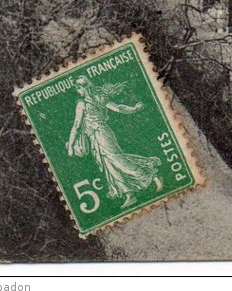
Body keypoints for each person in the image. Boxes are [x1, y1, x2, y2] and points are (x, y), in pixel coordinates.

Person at [66, 76, 163, 209]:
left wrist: (70, 145)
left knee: (117, 159)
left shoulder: (82, 104)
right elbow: (117, 107)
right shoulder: (97, 98)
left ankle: (150, 175)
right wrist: (134, 109)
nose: (78, 91)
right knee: (108, 165)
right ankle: (129, 193)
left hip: (101, 134)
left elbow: (76, 126)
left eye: (78, 88)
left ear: (81, 87)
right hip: (96, 137)